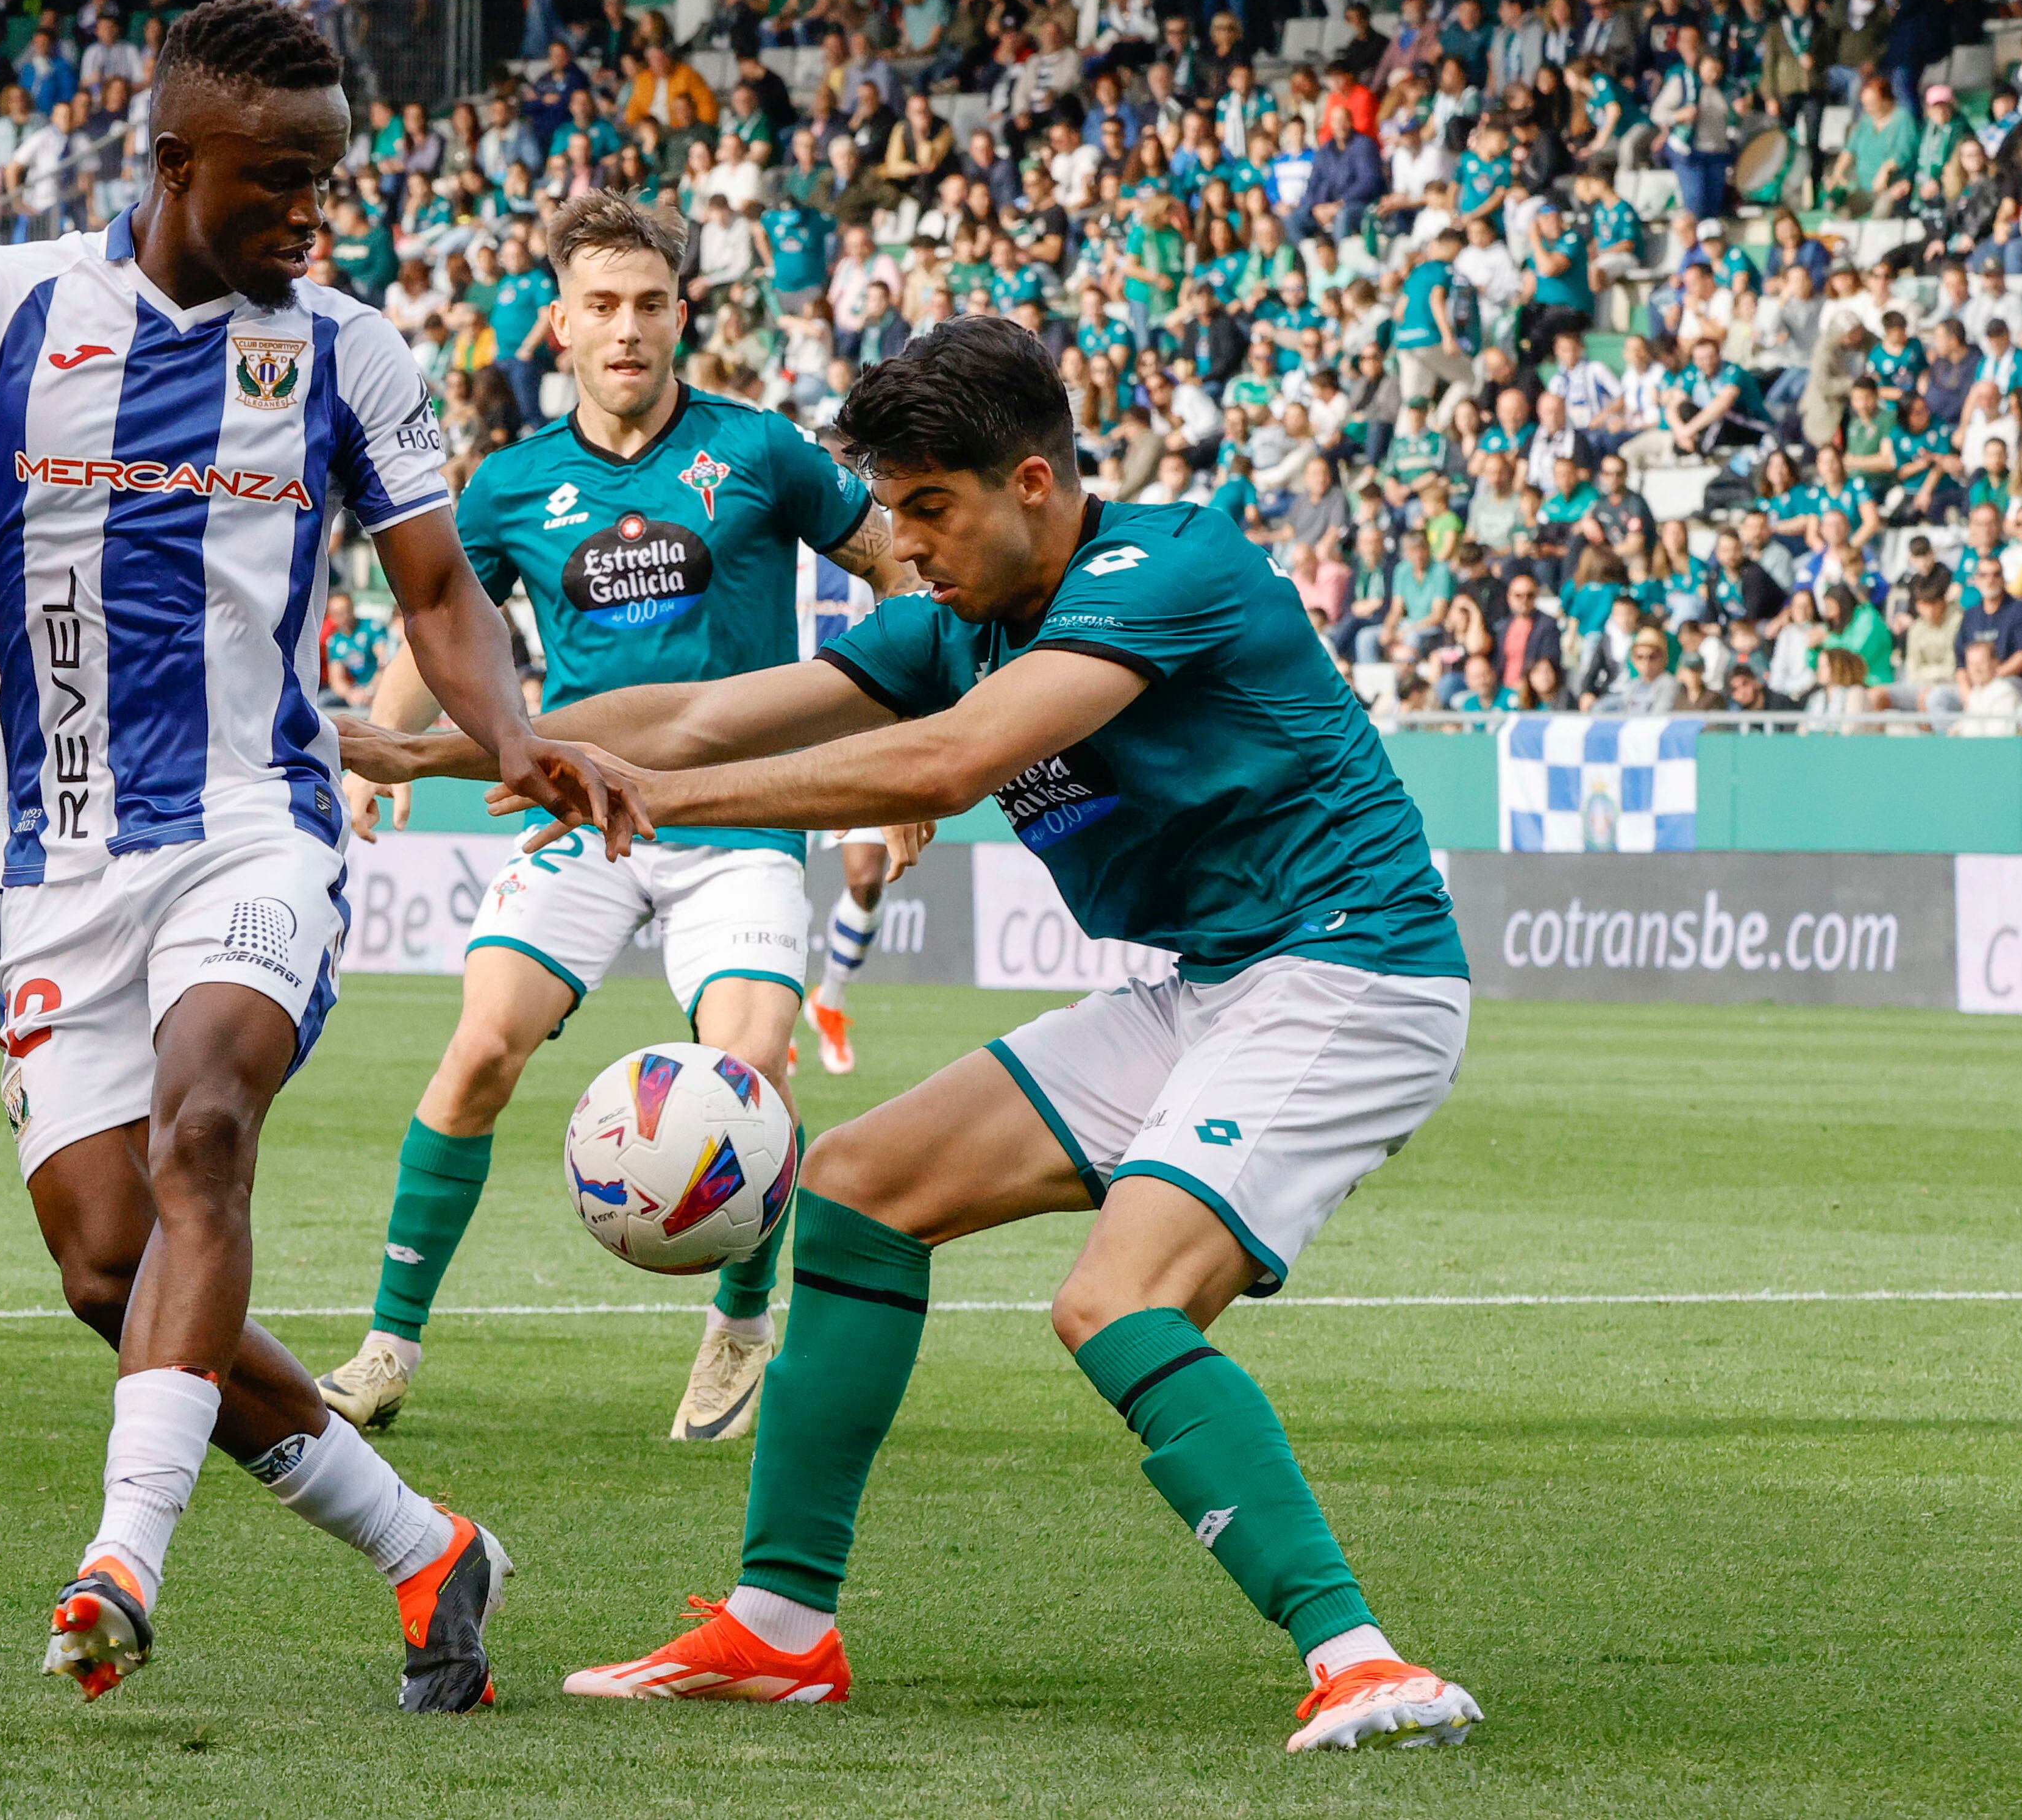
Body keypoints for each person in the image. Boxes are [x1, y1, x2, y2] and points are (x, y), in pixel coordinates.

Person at [343, 319, 1481, 1749]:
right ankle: (778, 1626)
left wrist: (653, 797)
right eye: (890, 510)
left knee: (1114, 1300)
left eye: (929, 509)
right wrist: (450, 745)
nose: (904, 543)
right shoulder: (955, 618)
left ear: (1034, 484)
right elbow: (699, 712)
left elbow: (952, 758)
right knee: (856, 1189)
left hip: (1352, 975)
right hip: (1215, 983)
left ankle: (1365, 1659)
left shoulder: (1170, 564)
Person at [0, 0, 638, 1712]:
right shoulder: (6, 306)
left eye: (326, 177)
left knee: (206, 1130)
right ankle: (428, 1546)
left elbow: (435, 590)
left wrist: (512, 728)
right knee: (108, 1267)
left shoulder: (350, 349)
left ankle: (125, 1553)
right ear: (178, 160)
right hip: (60, 856)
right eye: (278, 177)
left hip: (257, 829)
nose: (310, 211)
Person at [315, 190, 916, 1445]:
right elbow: (445, 619)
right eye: (600, 305)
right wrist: (379, 748)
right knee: (481, 1045)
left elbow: (897, 566)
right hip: (580, 813)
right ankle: (386, 1341)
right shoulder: (512, 484)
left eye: (648, 303)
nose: (626, 328)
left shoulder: (760, 451)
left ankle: (743, 1319)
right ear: (559, 324)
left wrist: (892, 745)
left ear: (679, 313)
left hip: (741, 814)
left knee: (748, 1059)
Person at [796, 533, 932, 1076]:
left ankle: (829, 999)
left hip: (866, 727)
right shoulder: (786, 546)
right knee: (776, 876)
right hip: (785, 727)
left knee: (867, 880)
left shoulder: (887, 547)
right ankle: (772, 1014)